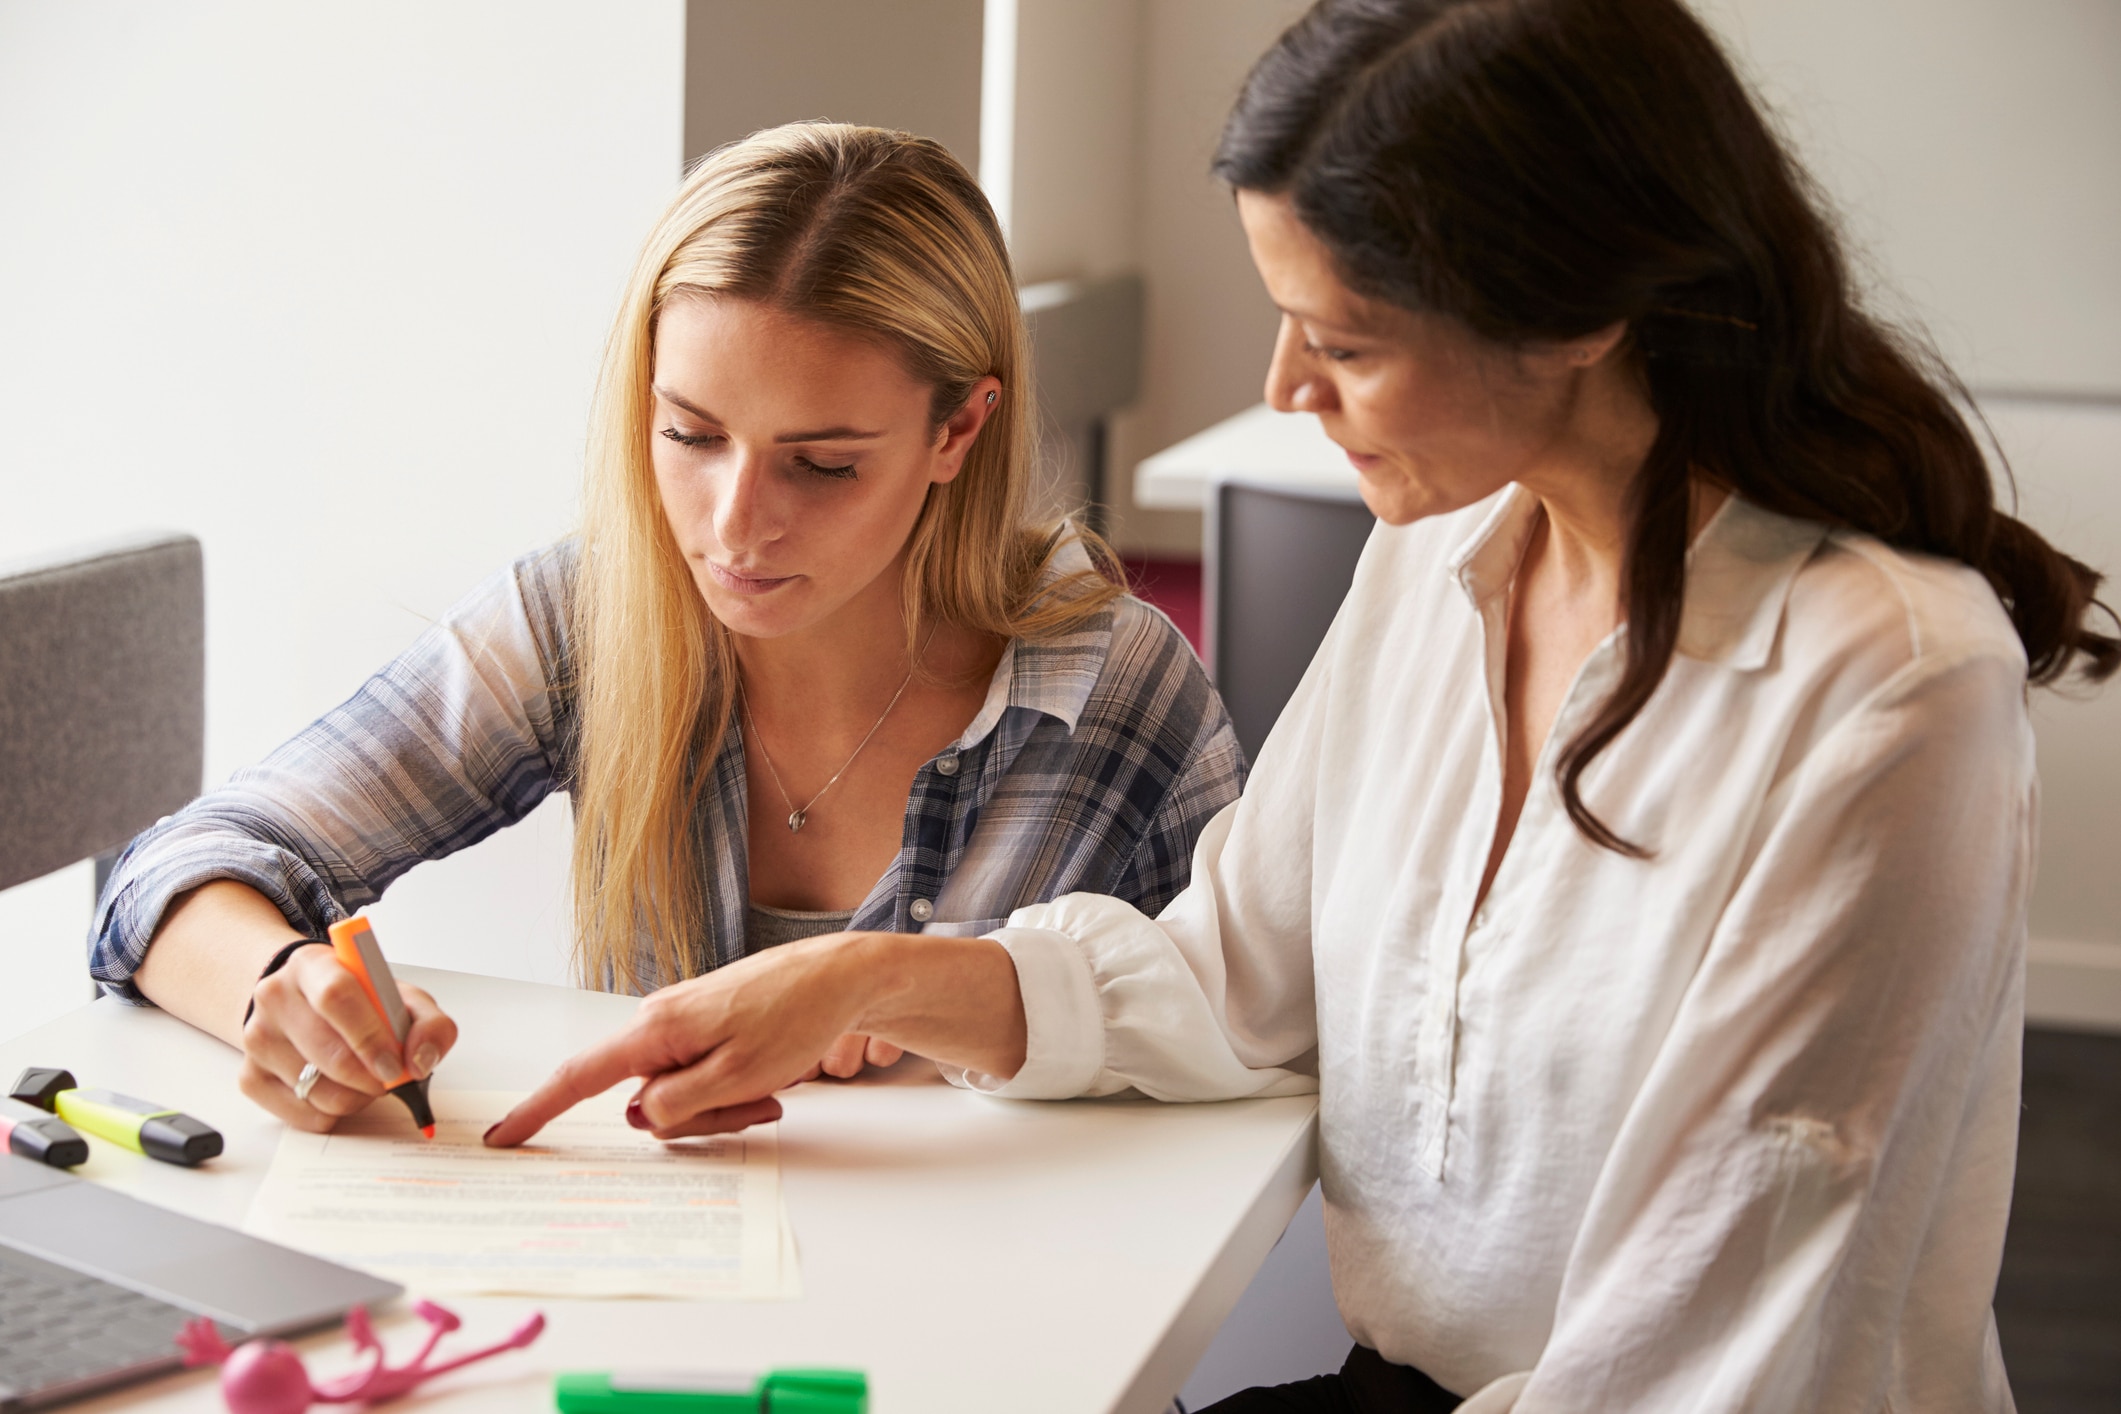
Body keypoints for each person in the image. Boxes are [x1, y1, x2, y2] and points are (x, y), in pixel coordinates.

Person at [487, 2, 2120, 1408]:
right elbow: (1234, 979)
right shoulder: (1438, 561)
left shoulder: (1884, 686)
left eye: (1342, 336)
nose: (1282, 386)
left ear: (1578, 317)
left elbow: (1714, 1348)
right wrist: (872, 976)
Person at [91, 123, 1243, 1141]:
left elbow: (1269, 1053)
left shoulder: (1117, 690)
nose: (734, 527)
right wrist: (278, 988)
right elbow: (179, 868)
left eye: (824, 463)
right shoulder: (587, 617)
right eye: (691, 436)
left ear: (959, 430)